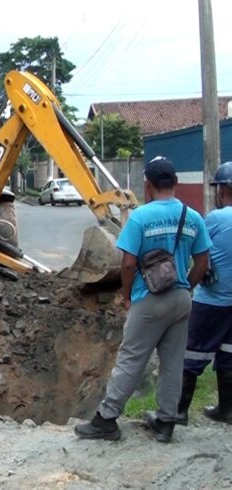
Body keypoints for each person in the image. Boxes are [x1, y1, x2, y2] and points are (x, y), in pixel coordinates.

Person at [75, 156, 210, 443]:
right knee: (173, 361)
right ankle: (166, 421)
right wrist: (188, 288)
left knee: (131, 358)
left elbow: (127, 264)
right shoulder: (193, 216)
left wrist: (127, 297)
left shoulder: (140, 217)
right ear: (174, 183)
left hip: (148, 299)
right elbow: (202, 263)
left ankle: (107, 420)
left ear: (147, 185)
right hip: (180, 300)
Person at [176, 161, 232, 425]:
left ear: (222, 190)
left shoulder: (215, 219)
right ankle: (227, 409)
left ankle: (179, 411)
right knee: (230, 355)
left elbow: (194, 250)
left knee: (192, 354)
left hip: (211, 301)